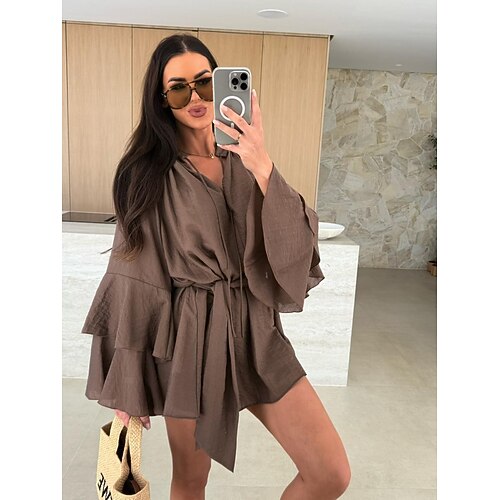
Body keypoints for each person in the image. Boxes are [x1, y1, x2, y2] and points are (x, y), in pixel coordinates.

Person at [81, 33, 351, 499]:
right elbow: (133, 276)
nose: (195, 97)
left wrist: (263, 165)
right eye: (178, 88)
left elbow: (296, 240)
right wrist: (128, 378)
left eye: (205, 82)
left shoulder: (245, 157)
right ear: (161, 100)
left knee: (330, 472)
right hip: (190, 339)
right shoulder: (145, 173)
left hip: (257, 330)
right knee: (191, 480)